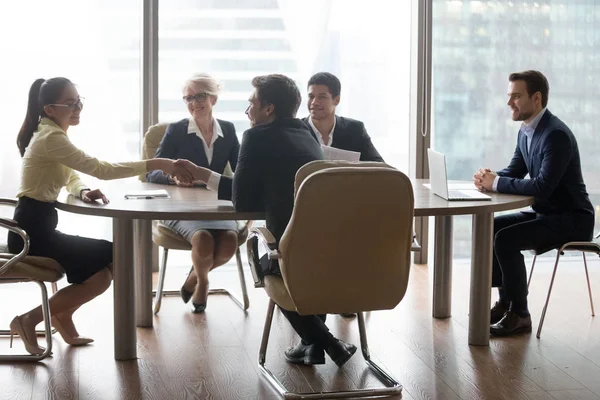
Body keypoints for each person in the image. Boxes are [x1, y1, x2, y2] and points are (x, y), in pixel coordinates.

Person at [175, 74, 358, 367]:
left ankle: (329, 343)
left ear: (268, 109)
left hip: (290, 249)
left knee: (265, 261)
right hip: (328, 245)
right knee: (291, 265)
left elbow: (243, 202)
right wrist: (202, 173)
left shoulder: (255, 136)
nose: (248, 110)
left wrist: (206, 177)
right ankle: (313, 344)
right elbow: (278, 186)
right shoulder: (305, 131)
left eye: (252, 103)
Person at [7, 77, 192, 355]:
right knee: (113, 262)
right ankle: (29, 320)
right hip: (31, 234)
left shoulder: (52, 134)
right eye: (70, 103)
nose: (78, 107)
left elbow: (70, 175)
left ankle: (61, 314)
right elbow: (102, 169)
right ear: (49, 109)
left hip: (38, 227)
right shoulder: (51, 137)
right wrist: (158, 162)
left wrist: (82, 191)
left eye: (79, 100)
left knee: (108, 266)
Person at [473, 70, 595, 337]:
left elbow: (542, 188)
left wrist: (496, 183)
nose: (509, 103)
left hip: (572, 219)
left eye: (516, 96)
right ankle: (506, 303)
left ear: (536, 98)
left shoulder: (555, 135)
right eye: (509, 96)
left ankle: (520, 314)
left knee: (505, 240)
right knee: (492, 228)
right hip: (548, 214)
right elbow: (515, 170)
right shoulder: (526, 131)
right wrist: (489, 178)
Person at [146, 73, 240, 313]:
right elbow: (151, 171)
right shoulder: (177, 130)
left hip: (215, 204)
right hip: (182, 205)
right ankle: (203, 283)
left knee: (230, 241)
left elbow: (242, 172)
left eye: (199, 96)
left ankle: (192, 279)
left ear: (213, 99)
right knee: (203, 239)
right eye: (188, 98)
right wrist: (174, 178)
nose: (193, 103)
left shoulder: (228, 130)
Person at [302, 72, 383, 162]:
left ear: (336, 100)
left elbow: (379, 166)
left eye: (322, 97)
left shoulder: (355, 130)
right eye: (311, 96)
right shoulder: (297, 131)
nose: (314, 102)